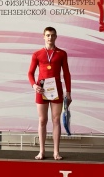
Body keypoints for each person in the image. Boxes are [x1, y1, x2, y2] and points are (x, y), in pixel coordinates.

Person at [27, 27, 72, 160]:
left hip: (56, 89)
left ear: (56, 37)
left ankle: (56, 152)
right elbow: (30, 73)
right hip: (41, 89)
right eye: (47, 35)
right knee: (42, 120)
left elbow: (66, 74)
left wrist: (68, 92)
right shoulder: (37, 54)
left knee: (56, 120)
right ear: (43, 36)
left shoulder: (62, 53)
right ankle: (41, 151)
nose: (50, 38)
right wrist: (34, 85)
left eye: (52, 35)